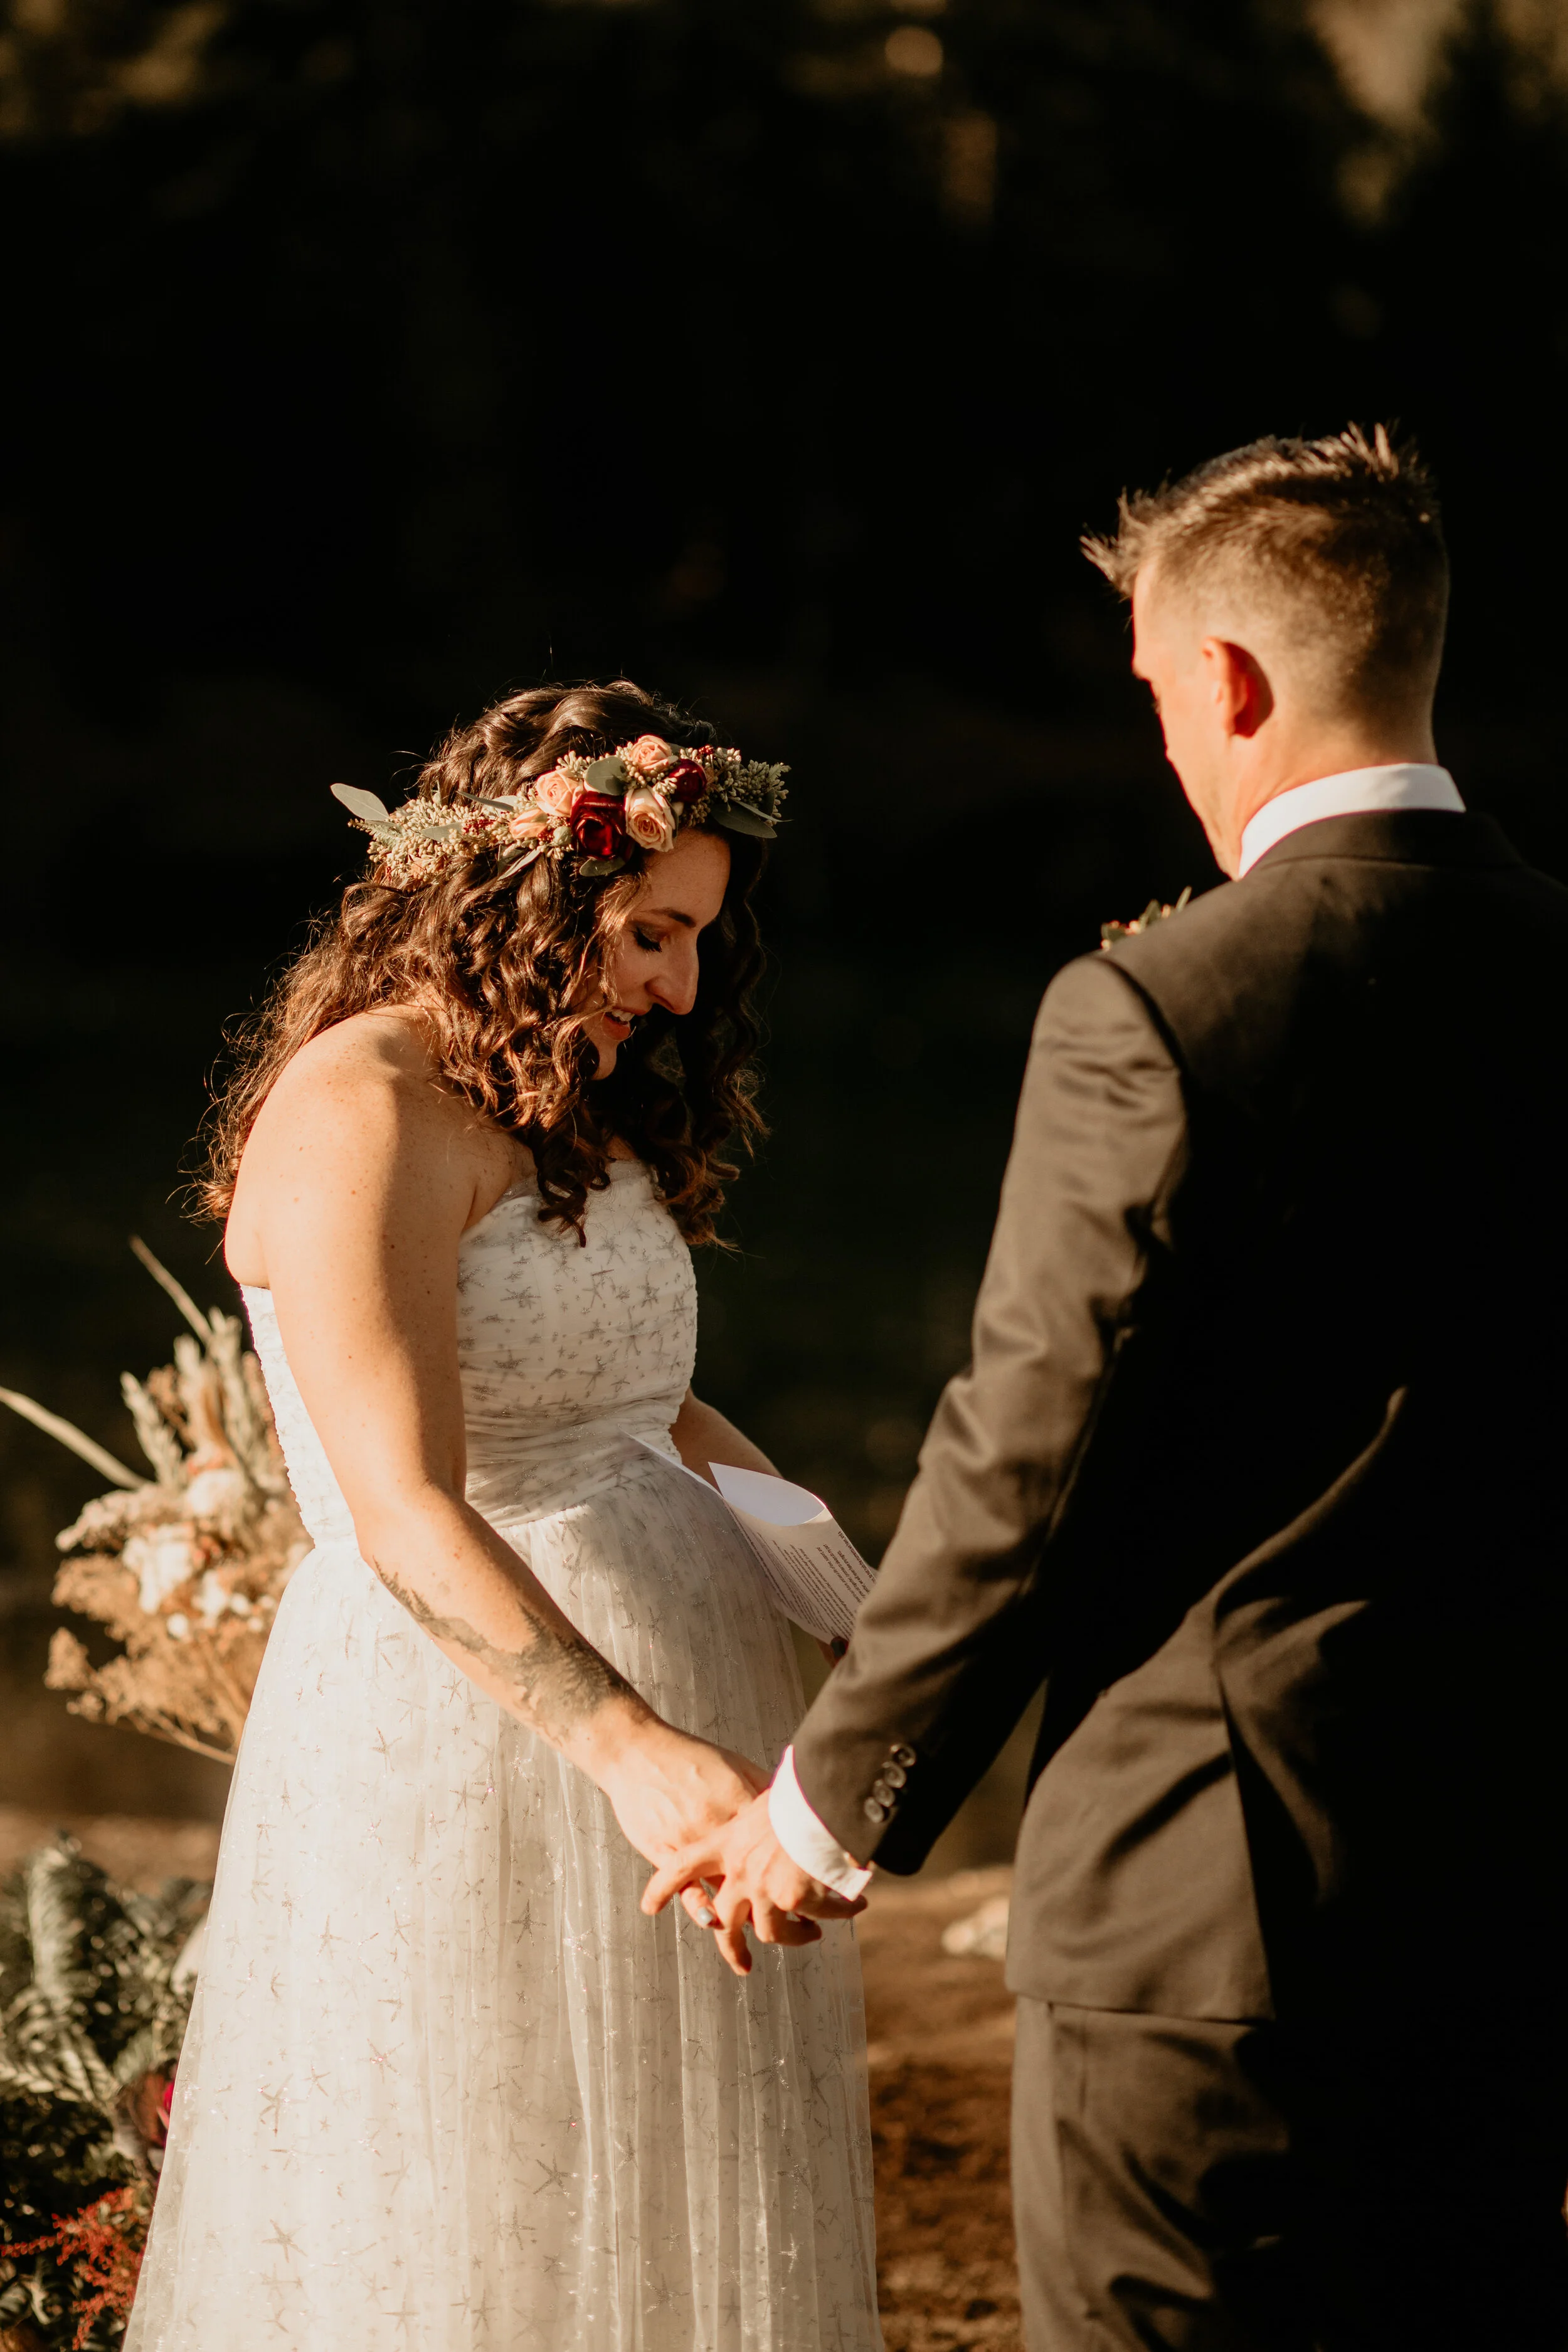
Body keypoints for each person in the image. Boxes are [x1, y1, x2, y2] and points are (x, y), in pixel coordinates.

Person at [647, 426, 1568, 2348]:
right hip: (1509, 1897)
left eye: (1154, 694)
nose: (1164, 741)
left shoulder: (1159, 1006)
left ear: (1227, 683)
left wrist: (827, 1814)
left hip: (1209, 1916)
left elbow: (1025, 1455)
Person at [126, 683, 881, 2352]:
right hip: (474, 1737)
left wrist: (866, 1609)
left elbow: (650, 1407)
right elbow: (398, 1503)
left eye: (697, 940)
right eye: (653, 930)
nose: (681, 985)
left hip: (675, 1678)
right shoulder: (361, 1109)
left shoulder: (549, 1091)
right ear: (529, 891)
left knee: (655, 2179)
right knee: (485, 2177)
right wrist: (629, 1746)